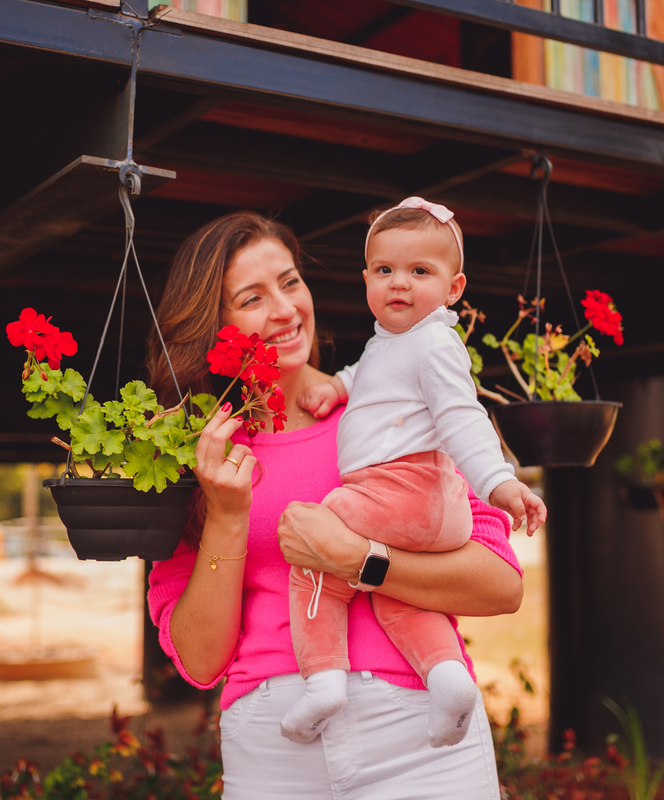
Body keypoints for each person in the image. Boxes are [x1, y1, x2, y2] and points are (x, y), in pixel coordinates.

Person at [146, 211, 534, 799]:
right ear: (214, 326)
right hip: (274, 743)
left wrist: (360, 559)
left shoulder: (392, 409)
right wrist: (226, 516)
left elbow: (499, 584)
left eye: (291, 282)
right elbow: (200, 660)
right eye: (253, 298)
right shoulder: (194, 459)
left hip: (419, 732)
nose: (285, 309)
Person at [284, 197, 546, 748]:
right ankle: (447, 679)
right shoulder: (394, 343)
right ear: (365, 280)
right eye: (385, 271)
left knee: (312, 540)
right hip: (421, 510)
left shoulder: (434, 343)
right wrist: (339, 385)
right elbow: (371, 375)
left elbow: (461, 417)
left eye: (419, 272)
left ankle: (323, 679)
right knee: (399, 592)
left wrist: (499, 483)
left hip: (401, 489)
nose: (399, 284)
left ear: (454, 289)